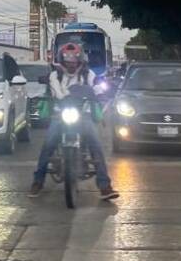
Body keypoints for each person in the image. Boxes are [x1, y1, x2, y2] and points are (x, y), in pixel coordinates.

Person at [30, 43, 119, 201]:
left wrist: (100, 92)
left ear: (80, 60)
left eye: (74, 60)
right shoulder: (54, 76)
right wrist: (66, 96)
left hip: (83, 115)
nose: (71, 63)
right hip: (60, 115)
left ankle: (105, 186)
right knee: (48, 145)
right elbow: (57, 93)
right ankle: (38, 181)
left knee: (96, 145)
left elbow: (97, 87)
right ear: (61, 60)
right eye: (67, 60)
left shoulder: (88, 74)